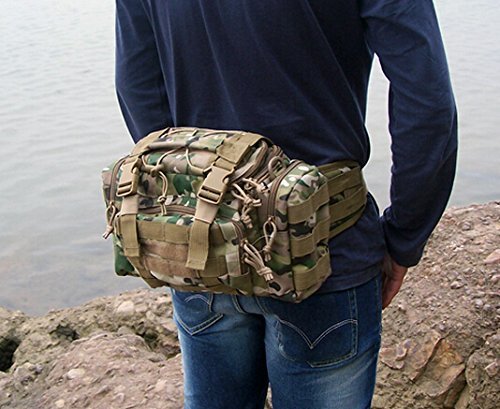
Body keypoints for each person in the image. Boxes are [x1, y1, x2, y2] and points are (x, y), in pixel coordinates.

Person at [114, 1, 457, 408]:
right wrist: (404, 237)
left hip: (204, 246)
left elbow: (138, 89)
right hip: (328, 253)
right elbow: (427, 103)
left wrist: (187, 200)